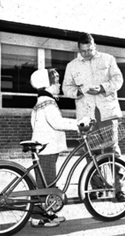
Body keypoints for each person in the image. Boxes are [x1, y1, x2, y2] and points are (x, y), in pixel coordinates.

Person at [62, 32, 125, 202]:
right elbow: (66, 88)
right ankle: (97, 188)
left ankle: (119, 189)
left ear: (94, 46)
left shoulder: (108, 59)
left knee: (112, 152)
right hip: (86, 116)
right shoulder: (72, 65)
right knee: (91, 153)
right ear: (78, 49)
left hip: (107, 113)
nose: (86, 54)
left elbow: (118, 80)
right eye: (83, 51)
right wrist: (78, 92)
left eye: (89, 50)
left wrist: (103, 88)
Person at [29, 68, 78, 228]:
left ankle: (48, 213)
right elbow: (57, 122)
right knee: (45, 184)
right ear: (47, 85)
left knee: (47, 183)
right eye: (56, 82)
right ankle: (38, 217)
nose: (58, 85)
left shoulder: (41, 102)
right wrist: (78, 123)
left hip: (44, 148)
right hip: (47, 149)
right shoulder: (48, 103)